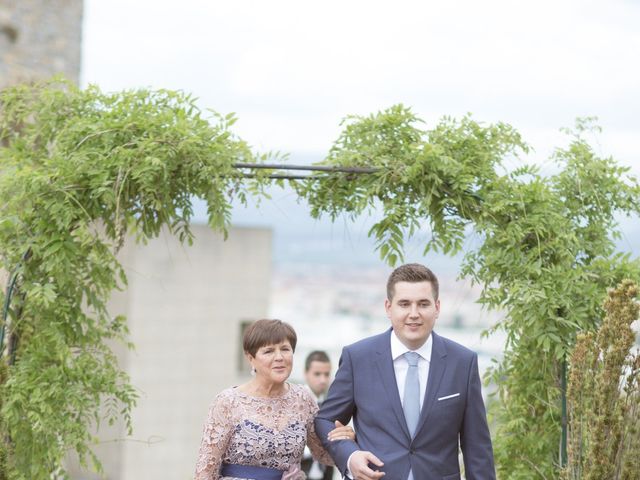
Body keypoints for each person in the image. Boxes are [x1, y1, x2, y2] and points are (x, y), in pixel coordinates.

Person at [315, 263, 496, 480]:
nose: (414, 314)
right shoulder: (358, 358)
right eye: (404, 304)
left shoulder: (463, 362)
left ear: (437, 308)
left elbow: (477, 447)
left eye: (423, 304)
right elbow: (324, 420)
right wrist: (350, 456)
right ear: (388, 307)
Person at [194, 319, 354, 480]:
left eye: (285, 349)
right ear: (251, 358)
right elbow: (205, 472)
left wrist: (345, 441)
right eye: (269, 351)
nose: (279, 357)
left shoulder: (303, 399)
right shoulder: (227, 402)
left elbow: (322, 454)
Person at [301, 351, 334, 480]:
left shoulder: (331, 405)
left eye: (326, 374)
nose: (323, 380)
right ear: (305, 373)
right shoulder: (295, 402)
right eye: (317, 374)